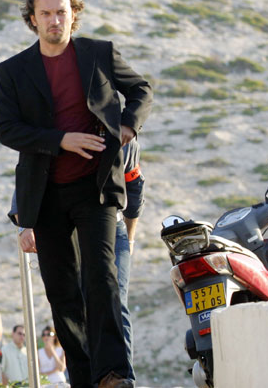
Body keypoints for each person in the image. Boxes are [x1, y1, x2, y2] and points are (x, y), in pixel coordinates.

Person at [0, 0, 153, 388]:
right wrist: (61, 140)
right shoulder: (13, 70)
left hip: (95, 188)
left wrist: (127, 127)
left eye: (61, 12)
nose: (54, 20)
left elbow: (141, 89)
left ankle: (113, 374)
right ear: (32, 18)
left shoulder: (99, 53)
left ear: (73, 14)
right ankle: (84, 379)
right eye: (45, 13)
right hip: (44, 195)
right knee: (63, 294)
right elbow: (8, 130)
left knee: (102, 279)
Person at [115, 139, 145, 383]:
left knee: (117, 301)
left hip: (114, 227)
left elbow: (134, 191)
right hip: (72, 226)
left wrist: (130, 238)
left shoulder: (126, 139)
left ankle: (124, 379)